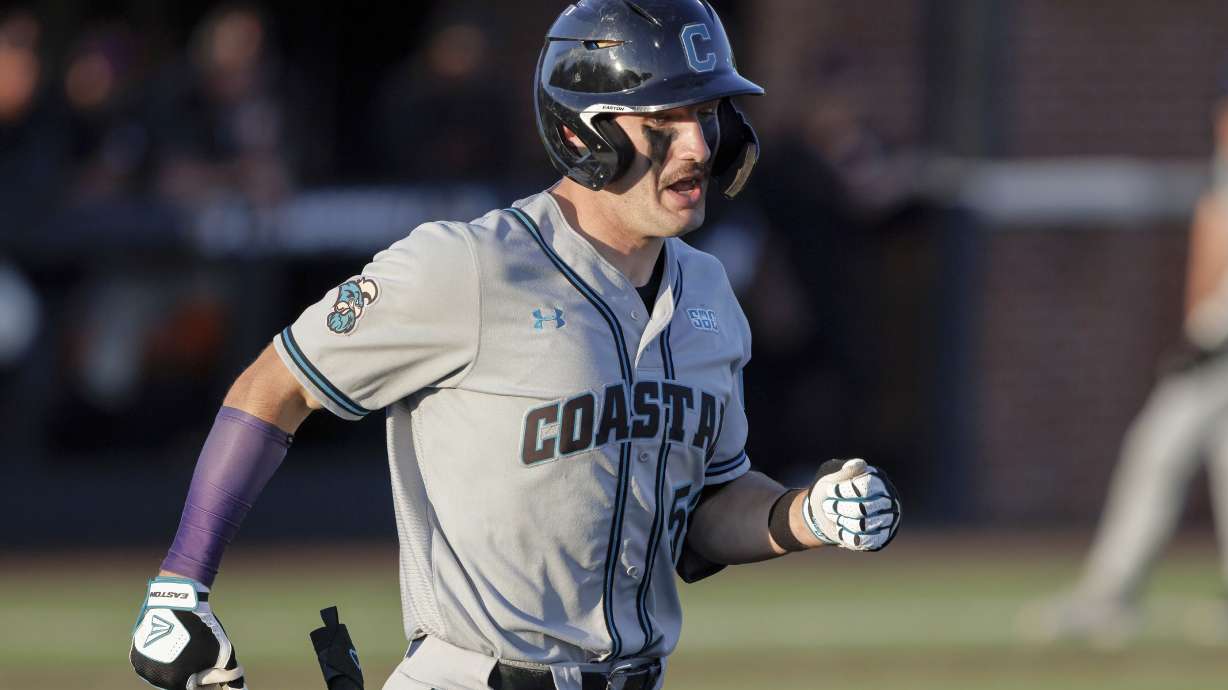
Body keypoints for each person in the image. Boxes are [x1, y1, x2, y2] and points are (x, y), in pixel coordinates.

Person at [127, 2, 902, 689]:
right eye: (661, 123)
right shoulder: (468, 265)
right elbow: (277, 384)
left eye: (707, 114)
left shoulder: (708, 294)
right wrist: (180, 587)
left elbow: (702, 512)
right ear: (580, 132)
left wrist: (808, 514)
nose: (698, 146)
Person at [1019, 88, 1228, 648]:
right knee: (1156, 455)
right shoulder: (1219, 182)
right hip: (1208, 355)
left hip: (1219, 356)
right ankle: (1110, 596)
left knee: (1159, 454)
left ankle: (1109, 596)